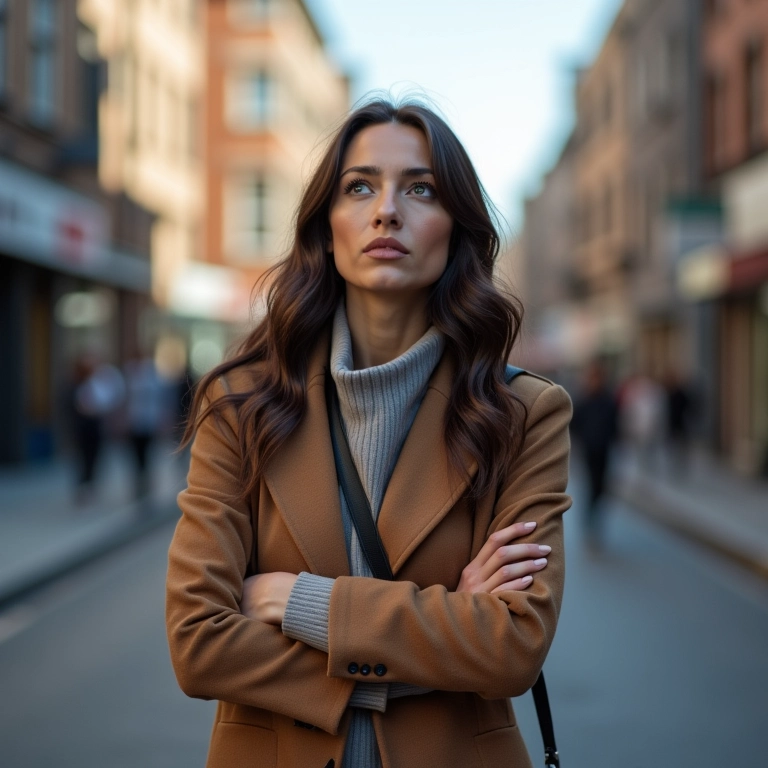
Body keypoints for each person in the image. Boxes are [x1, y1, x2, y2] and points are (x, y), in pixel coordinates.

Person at [166, 99, 572, 768]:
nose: (387, 211)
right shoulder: (240, 404)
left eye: (421, 189)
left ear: (456, 229)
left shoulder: (524, 413)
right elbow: (198, 644)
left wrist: (301, 601)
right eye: (359, 187)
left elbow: (511, 649)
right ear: (327, 229)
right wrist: (445, 636)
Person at [570, 360, 618, 547]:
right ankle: (590, 525)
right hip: (589, 450)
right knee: (591, 487)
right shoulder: (584, 401)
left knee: (601, 488)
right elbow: (575, 425)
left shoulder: (608, 400)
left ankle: (596, 522)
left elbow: (615, 424)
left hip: (604, 450)